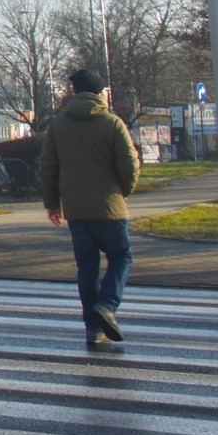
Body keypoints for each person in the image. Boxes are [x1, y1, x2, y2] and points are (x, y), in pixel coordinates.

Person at [39, 68, 141, 347]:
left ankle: (93, 329)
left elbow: (48, 167)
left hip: (77, 211)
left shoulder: (58, 125)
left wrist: (52, 203)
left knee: (87, 267)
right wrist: (124, 191)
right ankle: (107, 305)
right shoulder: (112, 123)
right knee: (121, 257)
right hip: (110, 208)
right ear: (99, 92)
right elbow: (130, 164)